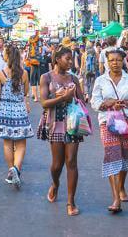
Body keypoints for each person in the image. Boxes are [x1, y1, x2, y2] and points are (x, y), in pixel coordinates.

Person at [91, 48, 128, 213]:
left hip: (126, 122)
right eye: (111, 60)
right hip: (108, 122)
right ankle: (116, 199)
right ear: (107, 62)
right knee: (112, 156)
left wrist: (124, 103)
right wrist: (108, 103)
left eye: (118, 60)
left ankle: (121, 187)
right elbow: (95, 102)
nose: (115, 63)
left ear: (123, 61)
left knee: (125, 158)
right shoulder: (100, 80)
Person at [37, 47, 84, 216]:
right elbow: (44, 102)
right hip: (54, 121)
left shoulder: (73, 78)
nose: (71, 62)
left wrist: (76, 93)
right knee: (57, 164)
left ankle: (71, 202)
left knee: (71, 161)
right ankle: (55, 183)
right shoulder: (46, 77)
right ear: (57, 59)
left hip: (72, 122)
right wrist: (62, 97)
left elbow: (82, 99)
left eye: (72, 59)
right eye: (67, 59)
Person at [0, 44, 33, 187]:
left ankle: (11, 172)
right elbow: (25, 92)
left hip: (4, 109)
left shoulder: (1, 74)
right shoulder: (24, 74)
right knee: (21, 144)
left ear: (7, 57)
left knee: (7, 143)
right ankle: (16, 169)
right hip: (19, 109)